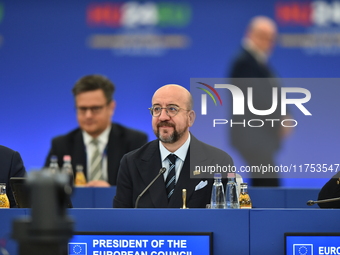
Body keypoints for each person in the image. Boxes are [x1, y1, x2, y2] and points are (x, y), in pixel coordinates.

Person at [114, 84, 239, 208]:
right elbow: (120, 220)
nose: (163, 117)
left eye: (172, 109)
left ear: (190, 118)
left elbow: (225, 219)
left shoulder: (218, 161)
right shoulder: (131, 163)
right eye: (157, 109)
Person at [44, 74, 148, 187]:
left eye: (95, 108)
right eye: (83, 109)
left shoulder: (134, 141)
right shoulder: (61, 145)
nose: (88, 115)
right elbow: (46, 190)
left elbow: (143, 187)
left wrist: (111, 193)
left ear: (111, 108)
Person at [228, 16, 292, 187]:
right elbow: (256, 99)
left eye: (272, 38)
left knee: (265, 182)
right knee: (269, 185)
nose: (269, 43)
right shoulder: (244, 63)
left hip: (260, 137)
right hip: (253, 137)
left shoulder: (258, 63)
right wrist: (280, 119)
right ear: (251, 34)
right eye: (264, 36)